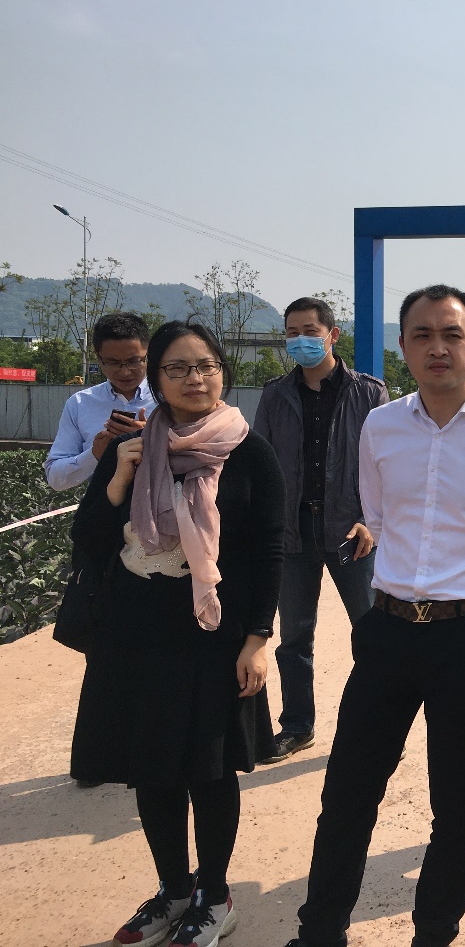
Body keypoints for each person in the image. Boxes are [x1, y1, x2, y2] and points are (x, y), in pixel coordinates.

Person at [283, 284, 465, 947]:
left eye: (451, 334)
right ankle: (319, 933)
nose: (437, 347)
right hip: (387, 630)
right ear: (402, 346)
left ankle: (434, 933)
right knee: (347, 792)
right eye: (422, 334)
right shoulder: (381, 426)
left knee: (455, 802)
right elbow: (376, 511)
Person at [69, 319, 284, 947]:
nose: (195, 378)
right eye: (178, 368)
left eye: (206, 365)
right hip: (135, 632)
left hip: (212, 633)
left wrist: (258, 639)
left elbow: (270, 550)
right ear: (156, 379)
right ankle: (172, 889)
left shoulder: (249, 451)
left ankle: (214, 896)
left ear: (222, 372)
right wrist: (117, 479)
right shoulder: (132, 445)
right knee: (152, 767)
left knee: (209, 771)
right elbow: (90, 541)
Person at [254, 295, 389, 763]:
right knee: (294, 637)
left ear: (332, 335)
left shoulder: (369, 393)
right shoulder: (275, 395)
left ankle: (378, 726)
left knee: (372, 633)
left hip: (351, 531)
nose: (300, 341)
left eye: (309, 331)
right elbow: (262, 463)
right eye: (291, 333)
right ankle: (297, 726)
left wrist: (371, 520)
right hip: (292, 532)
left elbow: (386, 466)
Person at [45, 311, 157, 491]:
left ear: (148, 355)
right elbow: (55, 478)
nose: (124, 372)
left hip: (160, 506)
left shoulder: (166, 400)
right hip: (101, 507)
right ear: (99, 359)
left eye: (134, 361)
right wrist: (95, 454)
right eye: (112, 362)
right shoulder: (79, 404)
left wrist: (152, 438)